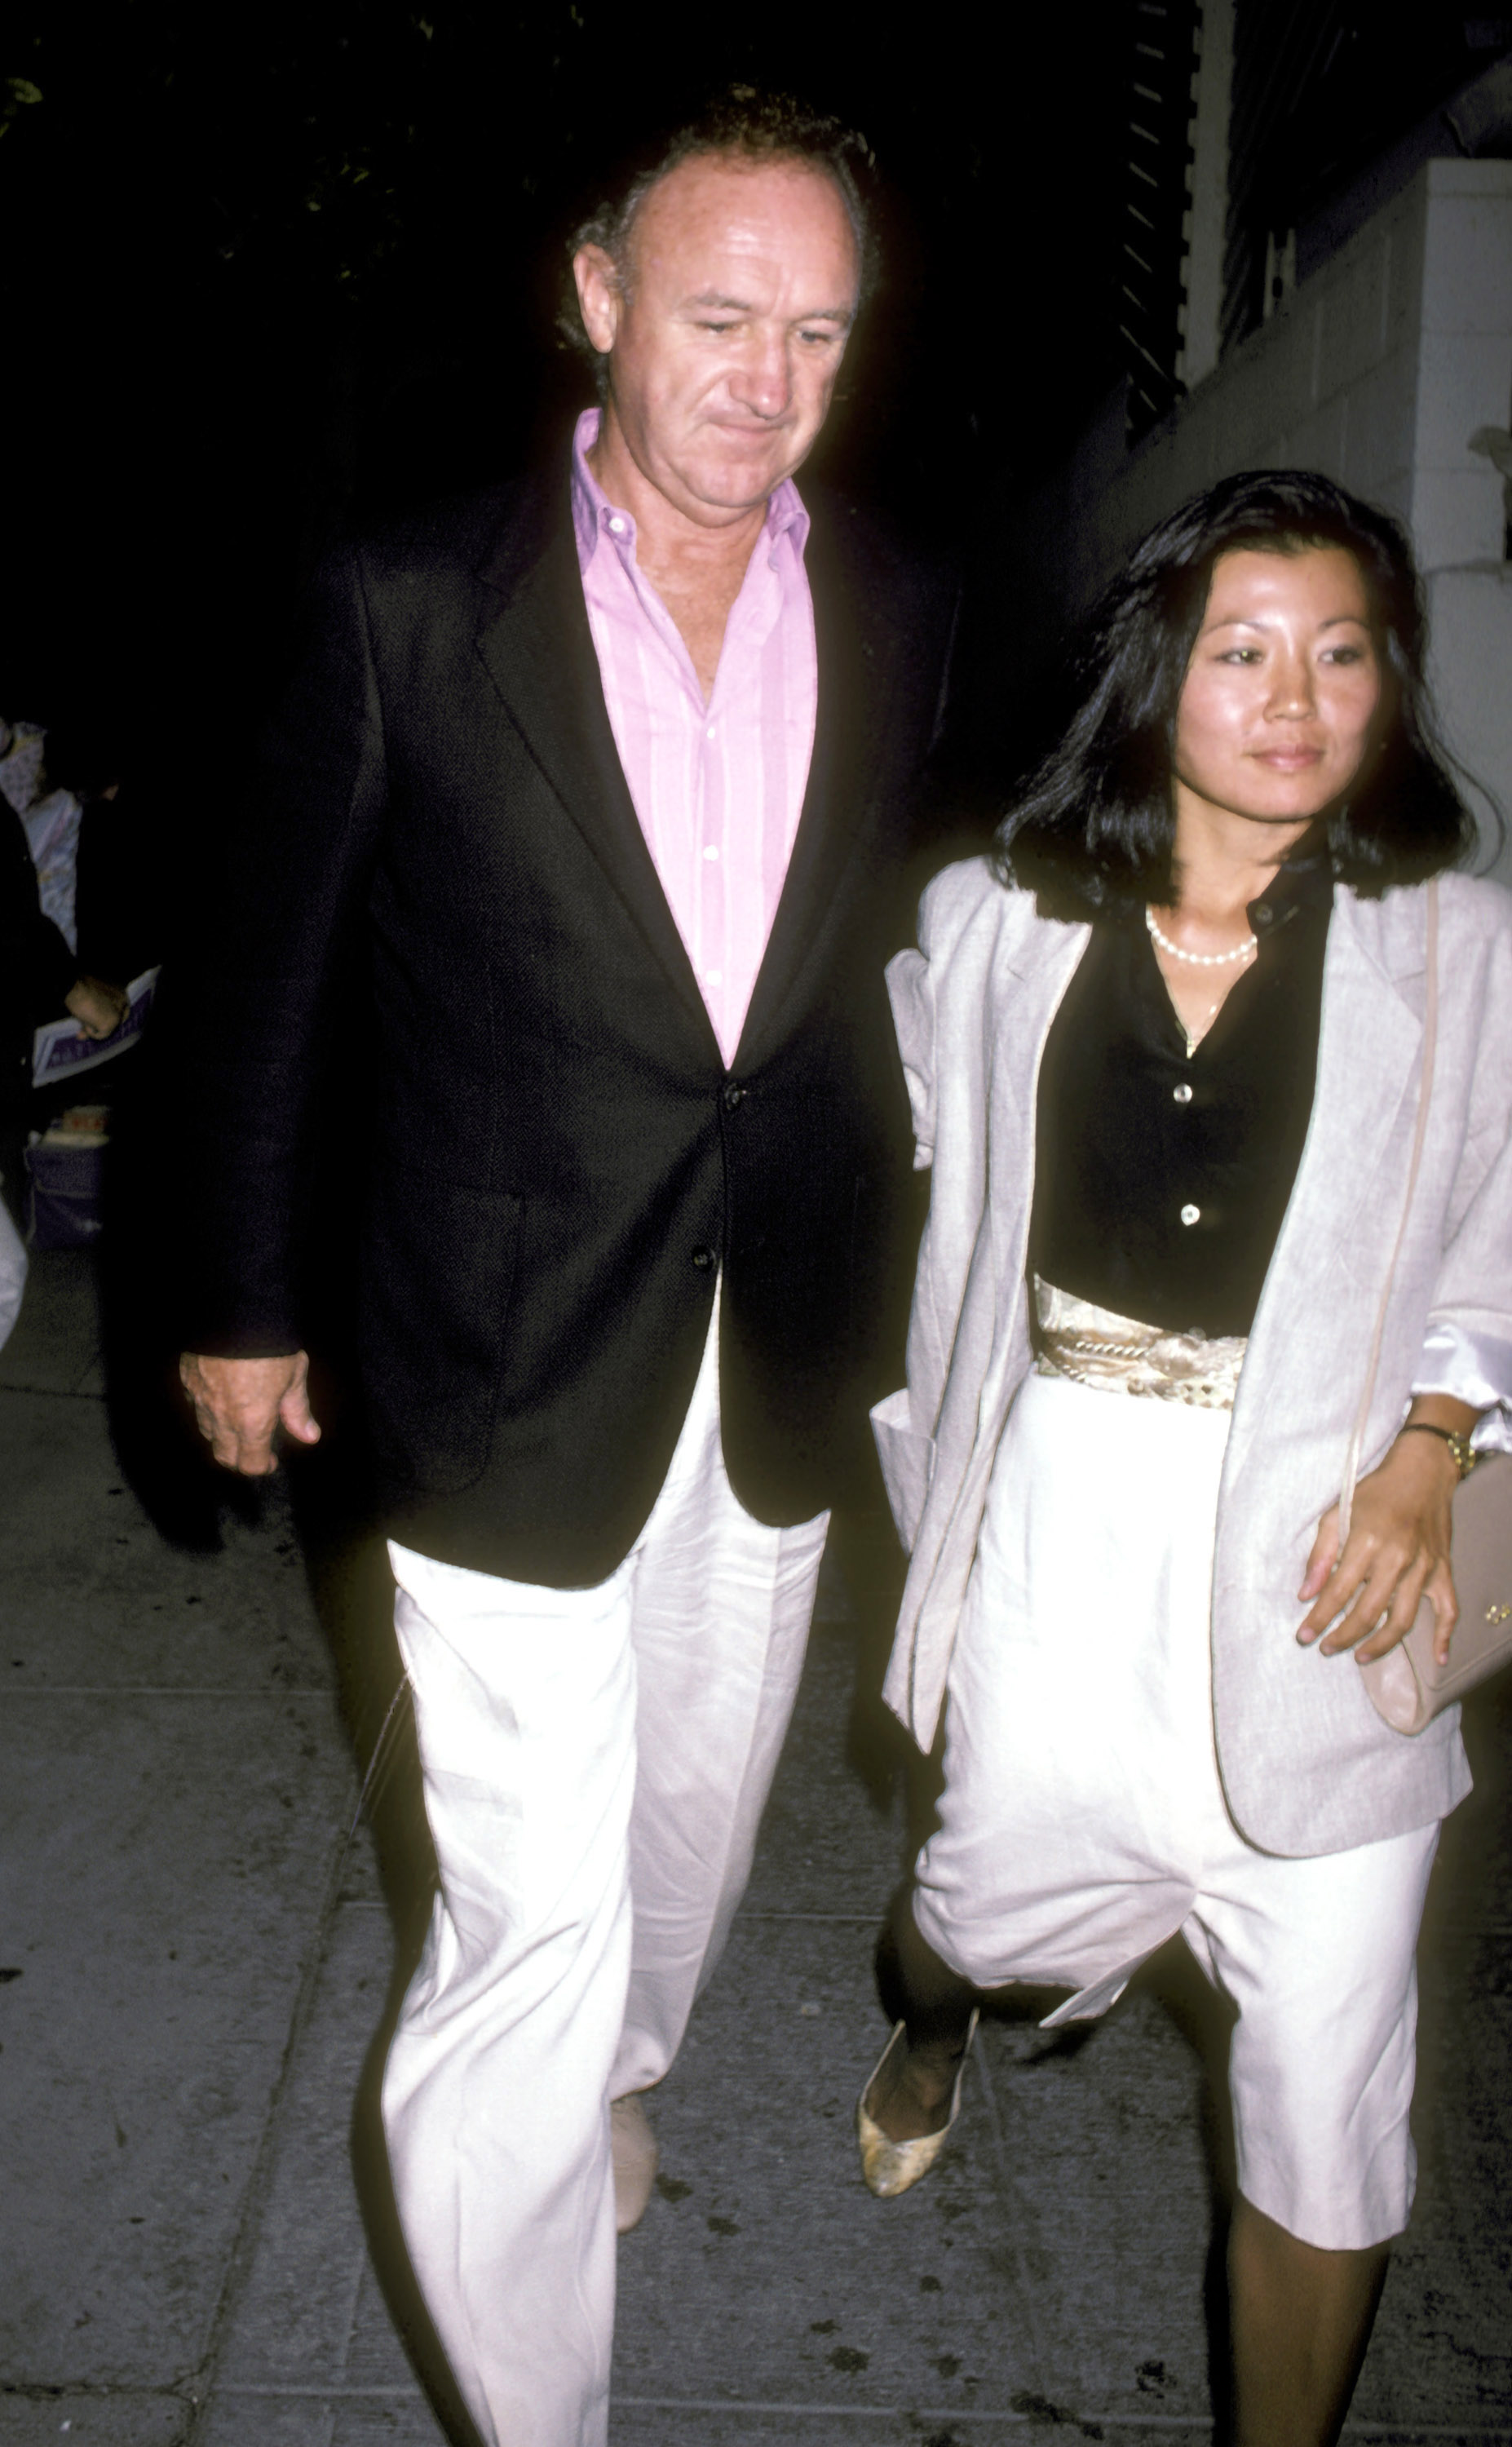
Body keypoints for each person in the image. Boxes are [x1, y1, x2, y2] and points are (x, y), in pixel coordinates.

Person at [171, 91, 954, 2447]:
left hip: (775, 1350)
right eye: (716, 317)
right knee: (518, 1934)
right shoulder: (410, 600)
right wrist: (232, 1291)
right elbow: (272, 978)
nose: (764, 377)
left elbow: (863, 987)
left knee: (685, 1844)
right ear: (597, 303)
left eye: (815, 330)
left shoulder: (895, 603)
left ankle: (618, 2068)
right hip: (492, 1350)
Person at [859, 471, 1512, 2447]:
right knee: (980, 1899)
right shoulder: (994, 924)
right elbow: (860, 1142)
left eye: (1341, 653)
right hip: (1066, 1506)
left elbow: (1499, 1208)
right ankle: (932, 2010)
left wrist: (1432, 1443)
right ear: (1159, 681)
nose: (1297, 697)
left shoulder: (1458, 941)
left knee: (1325, 2072)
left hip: (1334, 1534)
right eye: (1242, 651)